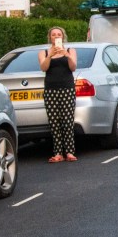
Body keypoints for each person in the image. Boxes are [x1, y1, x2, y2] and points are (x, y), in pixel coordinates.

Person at [38, 26, 77, 163]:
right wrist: (50, 55)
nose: (56, 36)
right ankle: (58, 153)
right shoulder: (43, 52)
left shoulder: (70, 50)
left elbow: (73, 67)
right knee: (54, 122)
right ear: (50, 37)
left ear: (63, 36)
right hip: (51, 90)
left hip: (67, 89)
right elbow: (44, 68)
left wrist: (66, 55)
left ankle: (70, 152)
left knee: (67, 121)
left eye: (58, 34)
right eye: (53, 35)